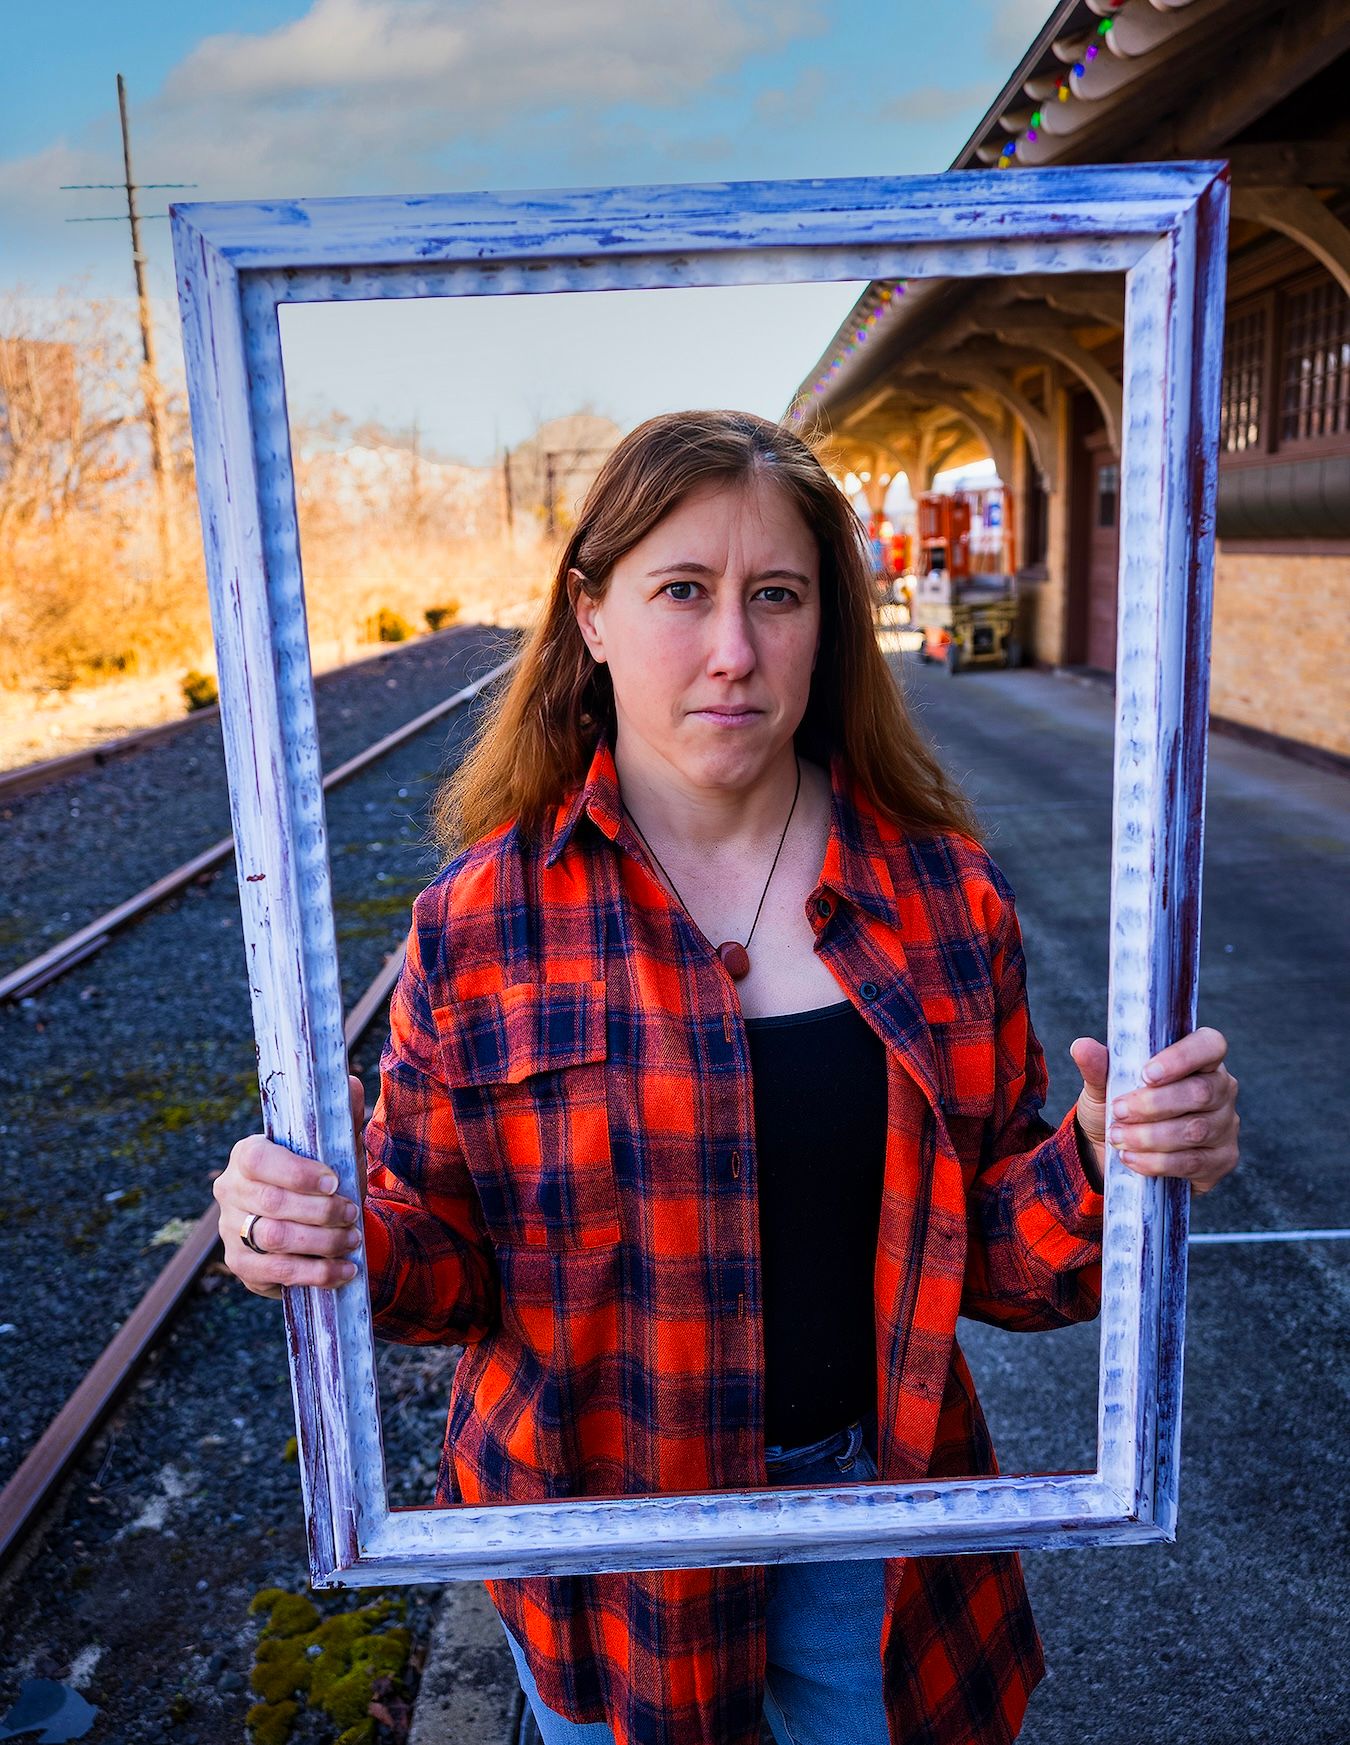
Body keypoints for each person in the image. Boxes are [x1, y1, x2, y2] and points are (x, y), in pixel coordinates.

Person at [213, 410, 1240, 1745]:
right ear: (588, 613)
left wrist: (1115, 1157)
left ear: (827, 621)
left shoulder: (940, 899)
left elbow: (994, 1260)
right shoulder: (480, 922)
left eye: (776, 595)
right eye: (681, 591)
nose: (734, 651)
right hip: (600, 1551)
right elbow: (441, 1271)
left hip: (876, 1543)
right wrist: (316, 1231)